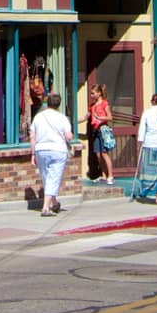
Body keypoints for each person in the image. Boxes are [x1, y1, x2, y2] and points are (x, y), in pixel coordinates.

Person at [29, 89, 75, 217]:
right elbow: (69, 137)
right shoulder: (62, 118)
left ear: (47, 102)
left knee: (46, 177)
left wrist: (32, 154)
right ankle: (45, 208)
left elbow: (32, 136)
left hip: (41, 149)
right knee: (53, 178)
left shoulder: (38, 117)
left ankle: (54, 203)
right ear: (59, 104)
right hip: (57, 149)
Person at [86, 83, 115, 182]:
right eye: (91, 93)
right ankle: (103, 174)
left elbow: (110, 117)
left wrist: (100, 118)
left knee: (104, 153)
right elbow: (86, 117)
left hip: (102, 130)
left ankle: (110, 175)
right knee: (98, 154)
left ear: (99, 93)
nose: (91, 95)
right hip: (95, 131)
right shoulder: (92, 106)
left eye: (93, 93)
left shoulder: (104, 104)